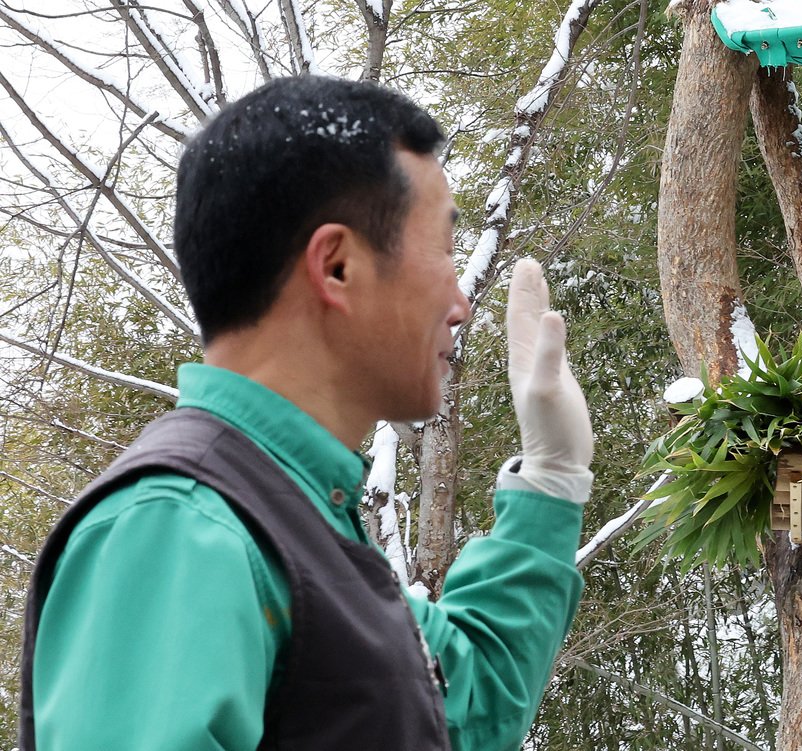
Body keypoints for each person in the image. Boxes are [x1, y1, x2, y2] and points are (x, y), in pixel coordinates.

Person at [19, 76, 593, 751]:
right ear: (338, 266)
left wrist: (551, 481)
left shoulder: (296, 525)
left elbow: (468, 707)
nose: (460, 300)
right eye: (442, 249)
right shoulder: (183, 525)